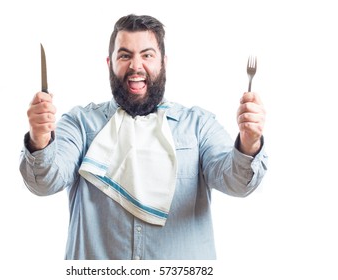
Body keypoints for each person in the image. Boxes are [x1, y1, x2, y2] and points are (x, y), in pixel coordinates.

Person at [19, 14, 267, 260]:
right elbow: (44, 182)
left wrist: (249, 142)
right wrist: (40, 137)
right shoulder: (80, 125)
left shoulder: (198, 126)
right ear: (110, 63)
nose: (136, 66)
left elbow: (237, 182)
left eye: (147, 55)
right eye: (125, 55)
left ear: (164, 63)